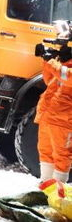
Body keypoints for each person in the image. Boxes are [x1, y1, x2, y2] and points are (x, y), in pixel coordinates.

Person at [35, 54, 72, 183]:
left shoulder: (64, 69)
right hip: (48, 116)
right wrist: (46, 60)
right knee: (45, 151)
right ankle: (45, 184)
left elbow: (66, 76)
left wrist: (52, 62)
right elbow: (49, 80)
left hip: (64, 120)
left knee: (62, 155)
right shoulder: (64, 64)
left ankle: (58, 190)